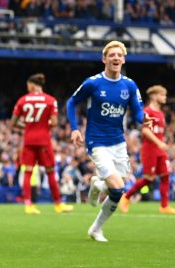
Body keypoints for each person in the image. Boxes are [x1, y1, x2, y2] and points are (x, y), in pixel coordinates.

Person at [67, 41, 152, 242]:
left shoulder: (129, 85)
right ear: (104, 59)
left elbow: (137, 109)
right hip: (96, 141)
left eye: (119, 55)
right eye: (111, 55)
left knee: (117, 190)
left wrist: (143, 118)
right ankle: (96, 229)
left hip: (118, 142)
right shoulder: (93, 83)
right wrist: (74, 129)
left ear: (123, 59)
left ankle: (97, 188)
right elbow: (72, 102)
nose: (116, 58)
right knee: (117, 187)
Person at [10, 73, 74, 214]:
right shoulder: (50, 100)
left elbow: (13, 123)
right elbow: (55, 122)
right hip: (44, 140)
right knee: (50, 172)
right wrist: (43, 126)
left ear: (32, 85)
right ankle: (58, 204)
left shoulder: (22, 100)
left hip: (29, 140)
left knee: (28, 172)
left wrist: (27, 126)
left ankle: (28, 205)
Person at [119, 85, 175, 214]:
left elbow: (159, 132)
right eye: (162, 95)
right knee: (149, 178)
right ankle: (126, 197)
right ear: (154, 96)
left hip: (160, 150)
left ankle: (164, 207)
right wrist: (159, 143)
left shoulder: (161, 113)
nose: (165, 97)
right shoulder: (147, 111)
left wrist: (165, 141)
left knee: (165, 175)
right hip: (150, 149)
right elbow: (145, 130)